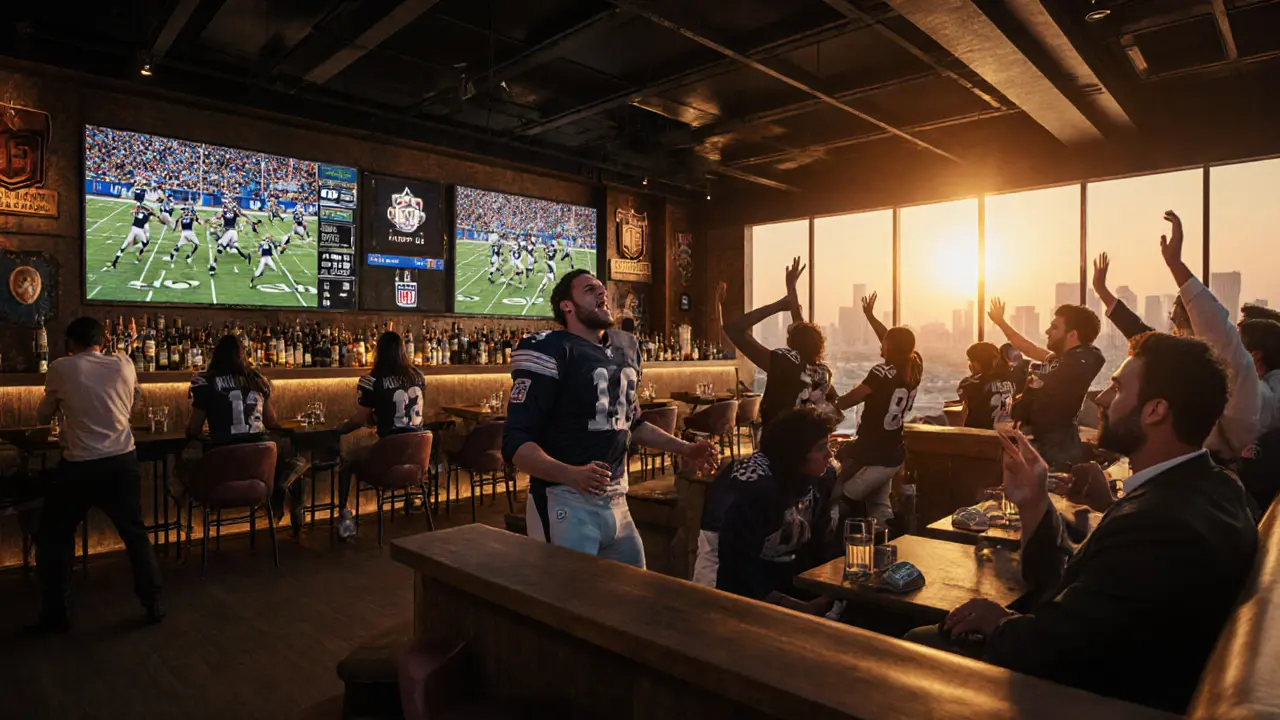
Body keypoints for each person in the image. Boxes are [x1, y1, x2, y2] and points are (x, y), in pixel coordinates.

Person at [909, 332, 1257, 714]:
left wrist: (1000, 621)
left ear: (1155, 410)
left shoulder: (1159, 527)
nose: (1101, 399)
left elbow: (1055, 650)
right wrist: (1034, 501)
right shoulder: (1214, 488)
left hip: (1088, 701)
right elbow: (1082, 591)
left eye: (1117, 389)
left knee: (915, 644)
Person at [503, 269, 719, 568]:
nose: (602, 293)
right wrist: (570, 474)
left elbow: (630, 423)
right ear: (567, 305)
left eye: (602, 288)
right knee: (569, 594)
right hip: (565, 499)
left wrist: (686, 448)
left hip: (618, 499)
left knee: (634, 592)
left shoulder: (625, 347)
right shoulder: (550, 349)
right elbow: (515, 443)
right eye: (589, 289)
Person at [1091, 211, 1260, 463]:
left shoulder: (1229, 367)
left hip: (1211, 470)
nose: (1173, 326)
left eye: (1178, 319)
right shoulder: (1185, 365)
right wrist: (1102, 292)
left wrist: (1176, 265)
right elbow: (1140, 332)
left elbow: (1215, 328)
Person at [33, 317, 163, 632]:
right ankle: (153, 604)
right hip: (121, 461)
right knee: (135, 534)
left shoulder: (61, 368)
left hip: (79, 466)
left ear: (70, 342)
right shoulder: (124, 363)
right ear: (103, 341)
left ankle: (56, 613)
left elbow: (42, 415)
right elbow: (134, 401)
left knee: (54, 536)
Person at [709, 407, 836, 614]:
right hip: (737, 588)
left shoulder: (822, 478)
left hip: (787, 580)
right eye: (821, 447)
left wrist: (828, 591)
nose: (830, 455)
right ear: (795, 452)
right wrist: (796, 606)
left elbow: (821, 543)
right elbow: (737, 565)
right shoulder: (752, 487)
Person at [185, 335, 308, 527]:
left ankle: (187, 525)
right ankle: (281, 495)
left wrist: (210, 433)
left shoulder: (206, 382)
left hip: (222, 473)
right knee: (296, 459)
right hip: (258, 473)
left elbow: (192, 429)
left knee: (182, 465)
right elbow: (271, 421)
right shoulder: (257, 380)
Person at [831, 294, 923, 526]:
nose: (880, 345)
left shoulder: (881, 373)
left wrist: (828, 404)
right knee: (879, 508)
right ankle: (895, 540)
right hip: (894, 451)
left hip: (873, 453)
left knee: (838, 498)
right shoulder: (915, 367)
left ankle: (833, 542)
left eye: (884, 343)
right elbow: (894, 340)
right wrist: (870, 317)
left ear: (889, 347)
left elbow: (850, 400)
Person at [723, 258, 840, 428]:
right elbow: (802, 330)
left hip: (777, 439)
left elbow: (734, 329)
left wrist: (777, 306)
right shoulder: (822, 373)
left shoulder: (783, 362)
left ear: (791, 341)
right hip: (809, 439)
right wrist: (791, 289)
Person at [332, 331, 427, 540]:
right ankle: (414, 498)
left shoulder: (371, 380)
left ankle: (345, 516)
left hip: (387, 459)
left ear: (378, 351)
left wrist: (339, 429)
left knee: (346, 460)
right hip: (416, 459)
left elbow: (360, 420)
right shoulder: (418, 377)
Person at [987, 298, 1103, 468]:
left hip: (1058, 450)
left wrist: (1032, 379)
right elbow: (1028, 348)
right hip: (1037, 442)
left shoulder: (1084, 360)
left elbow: (1050, 382)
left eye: (1055, 327)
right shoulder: (1058, 361)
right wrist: (1001, 322)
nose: (1048, 331)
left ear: (1072, 334)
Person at [957, 341, 1016, 430]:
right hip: (1005, 433)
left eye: (970, 361)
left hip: (978, 433)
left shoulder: (969, 383)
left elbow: (963, 399)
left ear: (976, 364)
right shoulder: (1011, 381)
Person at [105, 202, 153, 270]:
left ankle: (114, 263)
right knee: (146, 241)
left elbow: (132, 212)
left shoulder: (138, 213)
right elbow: (148, 222)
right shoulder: (146, 216)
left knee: (123, 247)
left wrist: (136, 210)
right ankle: (137, 251)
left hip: (133, 229)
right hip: (140, 230)